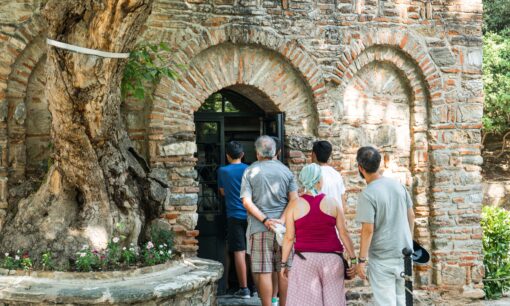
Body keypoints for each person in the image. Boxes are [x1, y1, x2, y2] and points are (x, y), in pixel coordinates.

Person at [280, 164, 356, 306]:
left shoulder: (294, 205)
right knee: (334, 302)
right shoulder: (333, 203)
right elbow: (344, 233)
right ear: (319, 181)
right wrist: (354, 260)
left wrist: (283, 264)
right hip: (332, 260)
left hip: (305, 260)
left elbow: (289, 237)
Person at [241, 135, 298, 306]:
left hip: (259, 229)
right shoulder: (286, 171)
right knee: (284, 270)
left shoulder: (250, 171)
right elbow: (294, 200)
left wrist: (266, 220)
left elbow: (246, 201)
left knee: (264, 271)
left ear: (257, 153)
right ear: (275, 152)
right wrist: (281, 220)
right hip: (284, 230)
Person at [354, 146, 415, 306]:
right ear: (379, 164)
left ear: (360, 168)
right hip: (405, 254)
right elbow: (411, 215)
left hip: (382, 258)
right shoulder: (399, 186)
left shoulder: (367, 194)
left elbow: (368, 230)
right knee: (404, 301)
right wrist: (409, 241)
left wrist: (361, 261)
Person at [218, 141, 250, 298]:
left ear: (227, 156)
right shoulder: (250, 169)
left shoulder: (223, 171)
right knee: (252, 251)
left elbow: (222, 192)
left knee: (239, 251)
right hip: (252, 215)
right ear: (242, 155)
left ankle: (244, 288)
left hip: (234, 215)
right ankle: (255, 285)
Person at [312, 140, 347, 212]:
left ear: (314, 155)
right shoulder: (337, 174)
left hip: (321, 219)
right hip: (336, 219)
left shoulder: (313, 175)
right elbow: (342, 199)